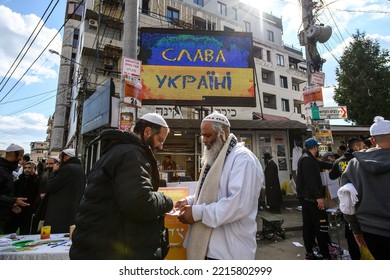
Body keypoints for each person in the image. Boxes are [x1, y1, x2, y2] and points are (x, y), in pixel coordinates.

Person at [69, 113, 173, 260]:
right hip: (111, 251)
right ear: (147, 132)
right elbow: (140, 203)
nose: (161, 146)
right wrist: (167, 201)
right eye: (160, 140)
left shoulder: (119, 151)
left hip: (102, 246)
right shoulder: (131, 155)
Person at [175, 111, 263, 260]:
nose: (203, 140)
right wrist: (189, 201)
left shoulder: (243, 159)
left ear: (222, 134)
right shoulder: (217, 156)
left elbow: (237, 205)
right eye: (202, 135)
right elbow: (210, 193)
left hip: (230, 252)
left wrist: (197, 212)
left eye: (207, 135)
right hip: (210, 249)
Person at [341, 116, 390, 260]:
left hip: (371, 231)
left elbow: (347, 202)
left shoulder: (354, 165)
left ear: (373, 140)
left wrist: (356, 230)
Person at [296, 138, 333, 260]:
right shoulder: (307, 160)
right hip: (310, 199)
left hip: (307, 198)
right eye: (317, 148)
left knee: (309, 225)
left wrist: (335, 164)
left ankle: (311, 252)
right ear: (315, 148)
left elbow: (321, 164)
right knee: (319, 225)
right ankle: (324, 254)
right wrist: (319, 197)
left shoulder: (308, 158)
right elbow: (310, 180)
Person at [329, 137, 365, 260]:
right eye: (362, 146)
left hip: (346, 200)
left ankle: (354, 256)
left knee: (350, 227)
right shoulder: (361, 160)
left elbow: (332, 176)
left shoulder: (339, 161)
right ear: (357, 147)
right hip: (362, 199)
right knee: (363, 227)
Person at [44, 148, 86, 233]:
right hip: (72, 210)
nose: (59, 160)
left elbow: (51, 186)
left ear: (66, 157)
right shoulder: (79, 168)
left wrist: (54, 172)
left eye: (60, 157)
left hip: (60, 212)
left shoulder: (67, 168)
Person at [0, 144, 29, 234]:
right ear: (13, 155)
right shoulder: (1, 170)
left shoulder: (7, 170)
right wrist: (13, 200)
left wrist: (11, 205)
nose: (20, 160)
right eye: (20, 156)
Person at [5, 161, 39, 234]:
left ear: (34, 169)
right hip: (17, 209)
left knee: (25, 232)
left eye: (29, 168)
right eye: (25, 168)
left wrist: (32, 176)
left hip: (30, 211)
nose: (27, 170)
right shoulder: (18, 182)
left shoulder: (37, 181)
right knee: (9, 231)